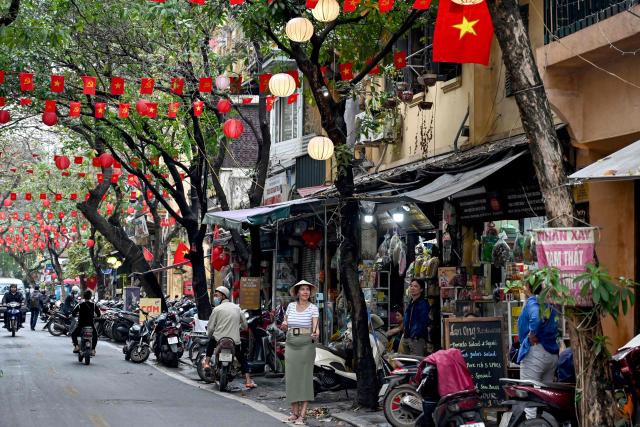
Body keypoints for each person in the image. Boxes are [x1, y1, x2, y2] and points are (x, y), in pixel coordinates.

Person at [517, 277, 559, 419]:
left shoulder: (533, 302)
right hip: (551, 354)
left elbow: (535, 317)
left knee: (529, 400)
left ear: (528, 286)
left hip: (536, 353)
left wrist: (531, 333)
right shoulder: (549, 303)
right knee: (546, 399)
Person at [281, 280, 319, 425]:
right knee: (291, 377)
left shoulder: (313, 308)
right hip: (290, 342)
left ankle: (302, 415)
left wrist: (316, 334)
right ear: (297, 293)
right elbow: (285, 325)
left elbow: (316, 329)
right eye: (302, 289)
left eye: (307, 290)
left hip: (306, 344)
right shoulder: (290, 306)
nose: (305, 292)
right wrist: (284, 326)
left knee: (304, 378)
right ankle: (294, 413)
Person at [203, 286, 255, 389]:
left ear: (223, 296)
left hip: (219, 339)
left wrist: (209, 335)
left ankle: (207, 363)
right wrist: (237, 328)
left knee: (211, 342)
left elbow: (211, 327)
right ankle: (248, 380)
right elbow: (245, 325)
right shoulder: (237, 308)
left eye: (217, 295)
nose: (215, 298)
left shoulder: (217, 309)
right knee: (242, 358)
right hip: (234, 341)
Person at [387, 279, 430, 356]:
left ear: (421, 289)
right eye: (411, 286)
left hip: (416, 339)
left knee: (416, 363)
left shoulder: (423, 303)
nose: (412, 288)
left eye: (415, 286)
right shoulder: (411, 303)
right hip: (407, 338)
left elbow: (423, 322)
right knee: (407, 364)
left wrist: (415, 335)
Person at [71, 289, 101, 355]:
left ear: (84, 297)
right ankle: (93, 350)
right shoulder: (93, 305)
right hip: (90, 324)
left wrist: (77, 315)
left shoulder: (80, 305)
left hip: (81, 325)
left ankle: (76, 346)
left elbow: (73, 313)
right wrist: (94, 316)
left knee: (73, 334)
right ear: (90, 297)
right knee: (95, 335)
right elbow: (99, 314)